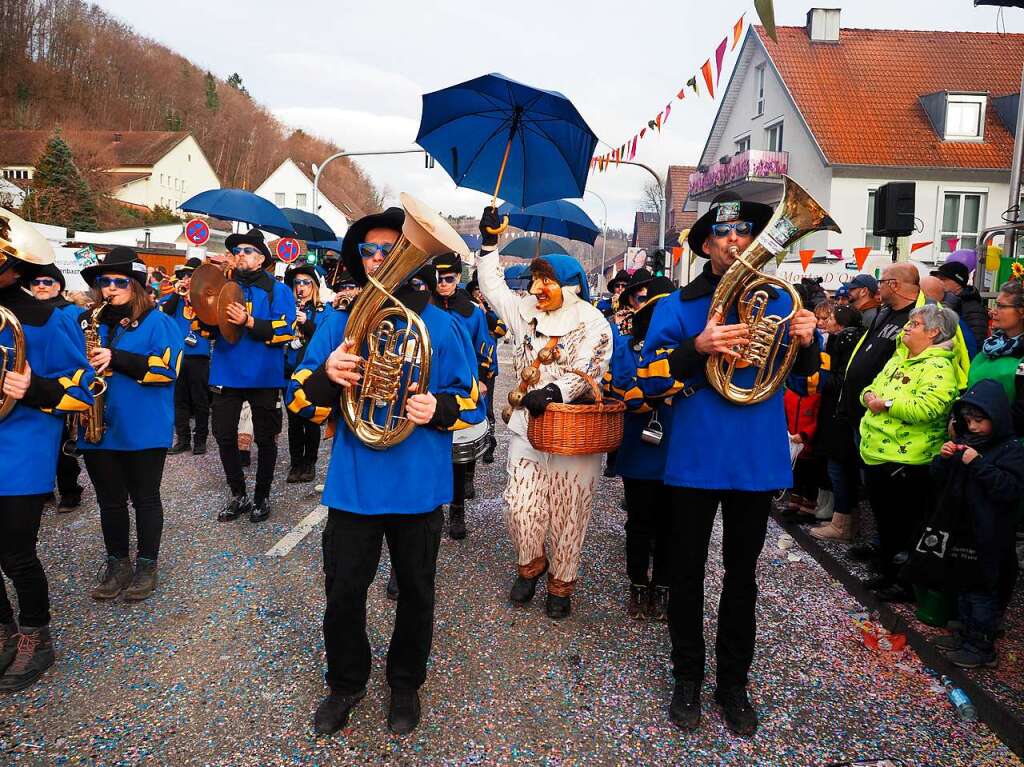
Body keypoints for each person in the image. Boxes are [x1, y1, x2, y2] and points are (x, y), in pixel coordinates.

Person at [286, 206, 480, 737]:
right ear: (358, 260)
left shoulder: (442, 324)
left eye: (389, 250)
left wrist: (436, 410)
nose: (379, 259)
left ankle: (404, 685)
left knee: (417, 593)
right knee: (343, 594)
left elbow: (472, 399)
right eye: (370, 251)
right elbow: (299, 401)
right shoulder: (336, 323)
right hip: (353, 487)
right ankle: (346, 684)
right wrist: (327, 375)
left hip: (420, 488)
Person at [637, 192, 819, 737]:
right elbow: (648, 383)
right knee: (687, 575)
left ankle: (733, 684)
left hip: (756, 460)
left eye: (743, 234)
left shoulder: (781, 303)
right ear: (707, 246)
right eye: (722, 235)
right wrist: (698, 346)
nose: (735, 242)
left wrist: (809, 343)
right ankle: (687, 677)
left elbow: (804, 381)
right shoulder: (676, 306)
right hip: (694, 458)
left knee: (743, 580)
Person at [477, 207, 614, 621]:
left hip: (576, 434)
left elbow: (591, 367)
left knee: (569, 509)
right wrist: (487, 243)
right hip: (527, 429)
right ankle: (531, 564)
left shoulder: (594, 323)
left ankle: (562, 581)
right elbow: (493, 287)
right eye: (535, 280)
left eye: (546, 281)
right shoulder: (523, 314)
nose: (536, 288)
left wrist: (555, 390)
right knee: (521, 505)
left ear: (570, 287)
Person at [0, 208, 94, 692]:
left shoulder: (41, 316)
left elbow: (84, 387)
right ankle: (4, 633)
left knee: (15, 553)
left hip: (21, 447)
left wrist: (32, 387)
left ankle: (37, 635)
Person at [76, 248, 183, 602]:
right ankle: (117, 563)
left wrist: (117, 358)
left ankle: (147, 565)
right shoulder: (89, 321)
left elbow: (168, 371)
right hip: (98, 425)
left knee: (145, 498)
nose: (110, 288)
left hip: (143, 428)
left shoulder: (159, 322)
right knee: (109, 501)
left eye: (120, 281)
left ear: (135, 285)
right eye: (104, 282)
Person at [859, 304, 960, 603]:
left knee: (906, 524)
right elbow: (869, 389)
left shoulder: (939, 367)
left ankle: (905, 582)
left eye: (914, 324)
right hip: (876, 453)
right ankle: (888, 572)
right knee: (886, 521)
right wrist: (869, 397)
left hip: (908, 460)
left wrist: (886, 404)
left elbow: (928, 408)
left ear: (933, 332)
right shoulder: (898, 358)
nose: (907, 328)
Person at [200, 229, 296, 524]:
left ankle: (262, 496)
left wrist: (249, 321)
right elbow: (209, 330)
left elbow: (285, 330)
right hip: (227, 372)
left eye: (247, 250)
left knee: (266, 439)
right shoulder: (223, 286)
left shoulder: (277, 290)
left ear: (261, 259)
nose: (240, 254)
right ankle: (238, 494)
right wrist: (204, 314)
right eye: (237, 250)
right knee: (224, 435)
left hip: (264, 376)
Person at [930, 380, 1024, 667]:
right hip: (964, 529)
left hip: (990, 535)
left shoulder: (1012, 449)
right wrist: (944, 459)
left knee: (982, 592)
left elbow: (1010, 490)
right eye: (968, 420)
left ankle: (982, 645)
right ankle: (966, 633)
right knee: (963, 585)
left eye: (979, 421)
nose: (973, 427)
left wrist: (979, 464)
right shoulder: (969, 442)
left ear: (996, 417)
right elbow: (938, 479)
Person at [835, 264, 921, 562]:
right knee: (874, 488)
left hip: (893, 422)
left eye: (882, 281)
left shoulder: (920, 315)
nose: (878, 287)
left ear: (894, 284)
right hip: (865, 415)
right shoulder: (885, 313)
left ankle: (896, 555)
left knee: (896, 496)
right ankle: (882, 544)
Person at [605, 276, 674, 621]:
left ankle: (662, 586)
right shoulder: (624, 346)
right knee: (639, 522)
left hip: (677, 448)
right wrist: (668, 390)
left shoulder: (686, 346)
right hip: (639, 446)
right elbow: (626, 393)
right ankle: (637, 584)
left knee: (669, 525)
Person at [432, 253, 494, 538]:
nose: (442, 284)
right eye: (438, 278)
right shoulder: (426, 308)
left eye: (448, 279)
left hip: (461, 388)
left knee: (459, 453)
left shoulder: (473, 312)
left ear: (458, 279)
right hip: (430, 388)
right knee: (431, 452)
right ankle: (430, 507)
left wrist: (482, 379)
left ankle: (457, 509)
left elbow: (486, 347)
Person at [29, 263, 85, 512]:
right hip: (32, 386)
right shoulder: (25, 311)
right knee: (37, 444)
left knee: (64, 444)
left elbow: (77, 350)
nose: (40, 286)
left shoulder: (71, 313)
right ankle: (42, 489)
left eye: (47, 282)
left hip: (60, 384)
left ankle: (70, 491)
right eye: (36, 282)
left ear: (59, 286)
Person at [810, 304, 865, 542]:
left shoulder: (842, 341)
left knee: (839, 467)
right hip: (842, 412)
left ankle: (843, 522)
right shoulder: (851, 338)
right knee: (840, 467)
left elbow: (837, 379)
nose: (825, 321)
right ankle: (841, 518)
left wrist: (818, 376)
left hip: (838, 412)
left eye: (830, 317)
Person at [283, 262, 334, 483]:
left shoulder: (323, 311)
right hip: (290, 370)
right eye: (297, 283)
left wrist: (306, 323)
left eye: (305, 283)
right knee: (293, 421)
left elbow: (324, 339)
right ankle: (295, 463)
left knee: (311, 419)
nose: (300, 287)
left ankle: (309, 463)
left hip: (312, 372)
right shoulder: (289, 307)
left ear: (313, 286)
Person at [161, 258, 210, 456]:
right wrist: (177, 292)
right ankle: (182, 440)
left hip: (199, 356)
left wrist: (195, 298)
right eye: (185, 276)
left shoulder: (206, 299)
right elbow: (164, 314)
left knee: (200, 401)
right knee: (179, 400)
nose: (187, 280)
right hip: (178, 356)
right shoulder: (175, 299)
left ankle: (200, 440)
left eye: (191, 276)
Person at [966, 279, 1024, 432]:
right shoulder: (990, 346)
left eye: (1001, 306)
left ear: (1022, 311)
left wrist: (987, 429)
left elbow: (1021, 412)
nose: (993, 311)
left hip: (1008, 442)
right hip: (973, 432)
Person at [468, 274, 505, 464]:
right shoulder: (467, 307)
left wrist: (485, 314)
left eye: (482, 291)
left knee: (487, 406)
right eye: (476, 291)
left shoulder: (492, 310)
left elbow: (501, 329)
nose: (479, 294)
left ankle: (491, 442)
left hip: (488, 365)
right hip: (469, 363)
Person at [932, 261, 989, 345]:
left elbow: (976, 341)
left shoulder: (973, 307)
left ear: (958, 282)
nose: (939, 282)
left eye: (943, 279)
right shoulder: (943, 302)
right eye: (938, 279)